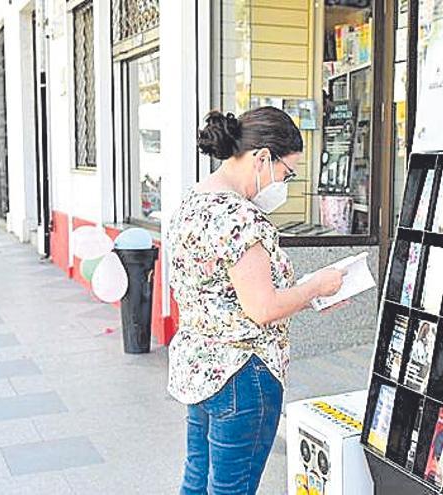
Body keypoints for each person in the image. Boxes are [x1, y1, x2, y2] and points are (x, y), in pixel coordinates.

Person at [168, 107, 345, 495]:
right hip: (242, 373)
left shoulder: (192, 202)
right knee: (232, 489)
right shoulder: (241, 217)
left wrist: (306, 296)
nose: (284, 183)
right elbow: (262, 308)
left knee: (197, 481)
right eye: (287, 172)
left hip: (199, 368)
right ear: (263, 157)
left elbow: (224, 293)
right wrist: (315, 286)